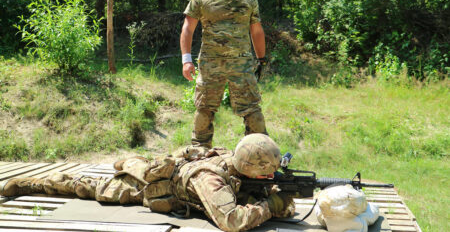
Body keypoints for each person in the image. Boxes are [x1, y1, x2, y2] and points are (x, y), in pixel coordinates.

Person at [0, 134, 295, 232]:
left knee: (136, 164)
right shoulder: (211, 180)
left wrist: (280, 198)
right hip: (150, 189)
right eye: (267, 172)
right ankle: (33, 184)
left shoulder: (239, 165)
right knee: (90, 186)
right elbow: (231, 221)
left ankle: (129, 161)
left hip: (171, 172)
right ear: (250, 167)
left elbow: (265, 195)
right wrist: (270, 205)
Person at [180, 0, 268, 149]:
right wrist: (186, 60)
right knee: (204, 109)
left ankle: (260, 155)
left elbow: (256, 30)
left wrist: (261, 59)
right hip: (211, 65)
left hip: (242, 65)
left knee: (252, 110)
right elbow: (188, 28)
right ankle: (200, 154)